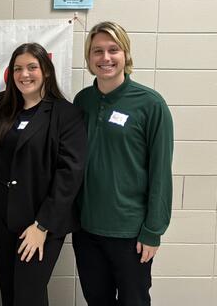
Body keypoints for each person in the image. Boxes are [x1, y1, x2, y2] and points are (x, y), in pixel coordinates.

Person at [73, 21, 174, 306]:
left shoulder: (150, 104)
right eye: (97, 51)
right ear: (89, 58)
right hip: (88, 231)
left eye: (113, 50)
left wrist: (153, 230)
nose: (105, 58)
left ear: (125, 55)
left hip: (130, 234)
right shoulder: (83, 102)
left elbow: (160, 174)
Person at [0, 43, 87, 306]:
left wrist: (42, 226)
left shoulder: (66, 113)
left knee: (28, 297)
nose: (24, 74)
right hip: (5, 219)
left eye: (32, 67)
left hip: (41, 223)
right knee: (10, 294)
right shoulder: (1, 106)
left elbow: (70, 174)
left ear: (46, 72)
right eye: (18, 69)